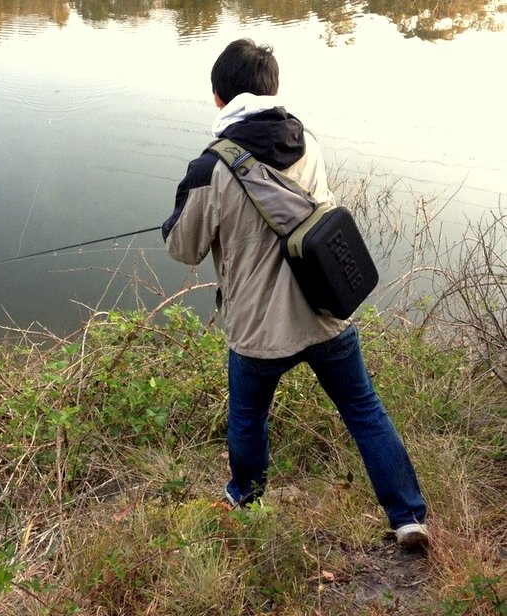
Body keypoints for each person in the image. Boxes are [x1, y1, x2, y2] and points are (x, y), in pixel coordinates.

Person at [162, 38, 429, 549]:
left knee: (247, 417)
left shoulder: (211, 168)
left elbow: (184, 248)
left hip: (260, 333)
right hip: (326, 313)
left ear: (219, 97)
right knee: (365, 410)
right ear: (271, 90)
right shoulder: (306, 139)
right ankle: (408, 517)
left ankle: (245, 500)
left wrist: (178, 212)